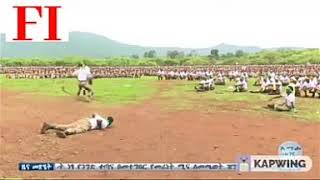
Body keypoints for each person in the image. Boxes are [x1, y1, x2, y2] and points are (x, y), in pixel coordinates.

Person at [40, 113, 114, 138]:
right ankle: (66, 133)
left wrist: (94, 118)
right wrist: (100, 127)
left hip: (85, 120)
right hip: (88, 124)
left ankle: (50, 126)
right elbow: (99, 121)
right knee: (78, 130)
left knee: (68, 126)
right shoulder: (106, 123)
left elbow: (94, 114)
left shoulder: (101, 117)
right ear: (110, 122)